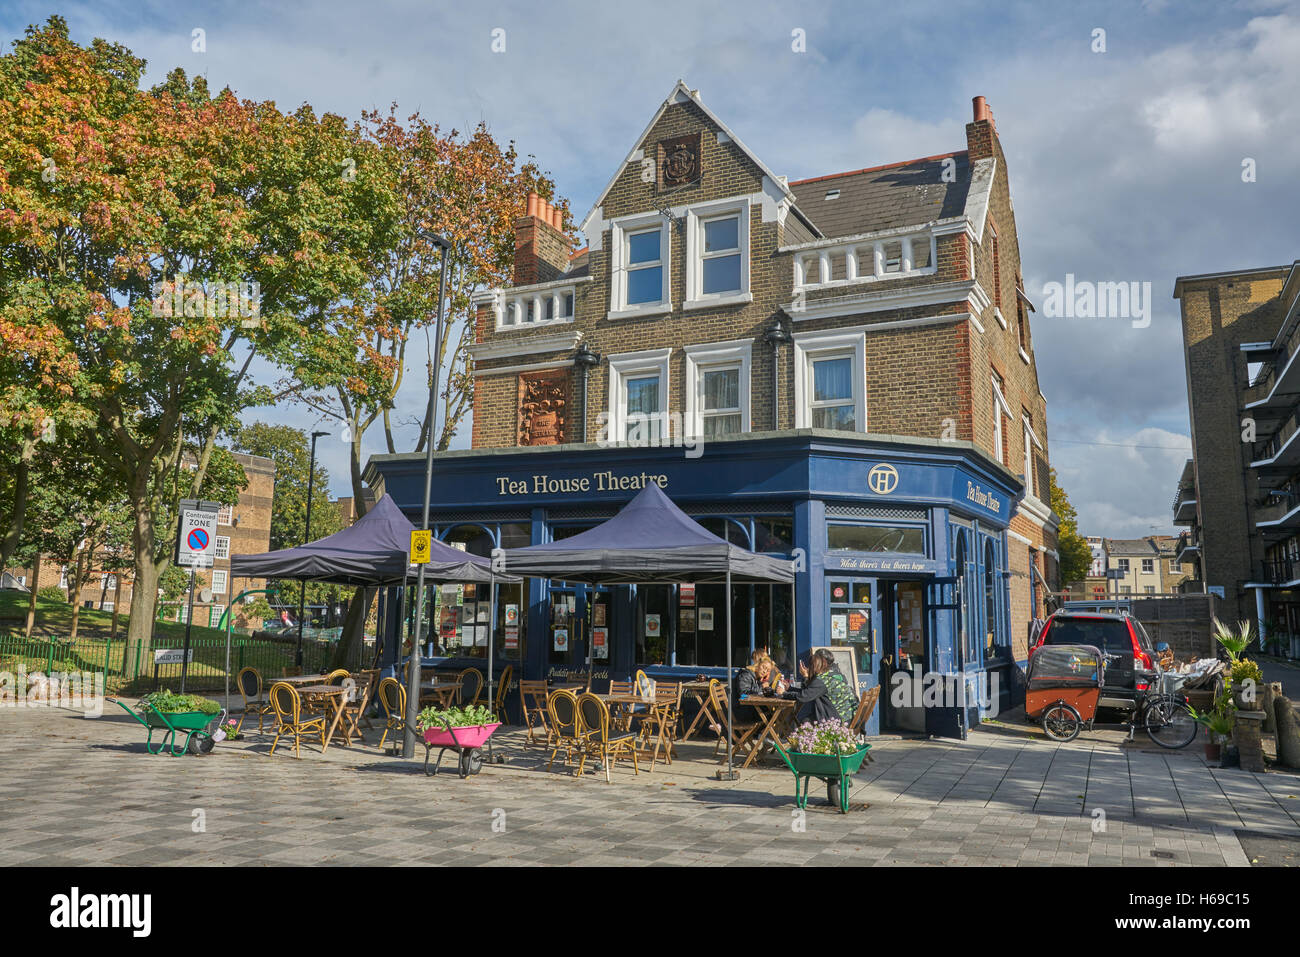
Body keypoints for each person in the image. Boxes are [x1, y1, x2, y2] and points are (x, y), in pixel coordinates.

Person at [784, 649, 857, 725]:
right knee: (807, 719)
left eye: (814, 663)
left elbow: (804, 696)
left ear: (823, 663)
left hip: (838, 720)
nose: (811, 666)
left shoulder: (823, 680)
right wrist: (790, 689)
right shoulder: (836, 674)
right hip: (848, 716)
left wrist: (783, 694)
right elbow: (810, 692)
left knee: (805, 722)